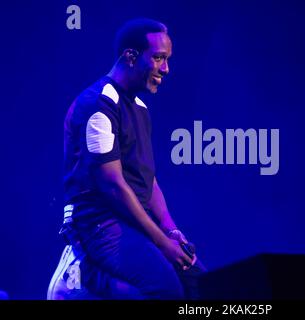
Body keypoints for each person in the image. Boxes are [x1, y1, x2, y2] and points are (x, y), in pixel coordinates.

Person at [48, 18, 206, 300]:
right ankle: (85, 280)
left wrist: (171, 231)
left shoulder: (140, 108)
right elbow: (113, 186)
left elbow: (148, 179)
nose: (166, 69)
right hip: (100, 225)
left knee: (198, 283)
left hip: (129, 221)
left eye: (167, 59)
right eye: (158, 58)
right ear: (130, 56)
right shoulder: (98, 104)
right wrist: (160, 242)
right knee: (166, 289)